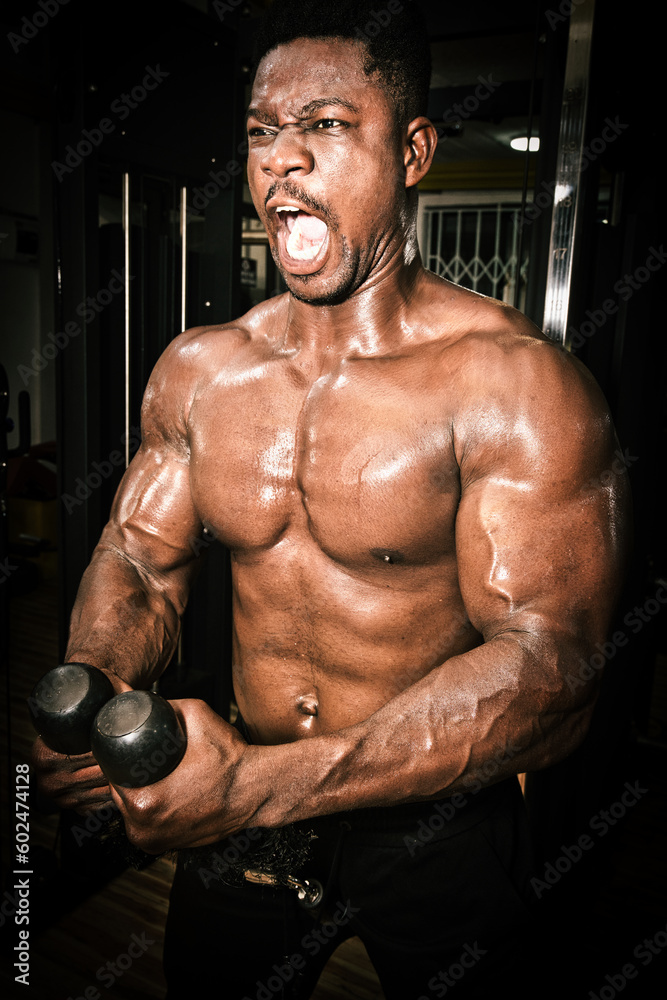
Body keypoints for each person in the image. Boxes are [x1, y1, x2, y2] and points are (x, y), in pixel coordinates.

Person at [33, 1, 630, 996]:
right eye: (264, 134)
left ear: (412, 151)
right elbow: (140, 558)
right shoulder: (202, 370)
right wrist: (94, 672)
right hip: (244, 807)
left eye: (325, 126)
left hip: (435, 821)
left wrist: (264, 785)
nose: (283, 161)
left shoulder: (515, 385)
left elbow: (553, 667)